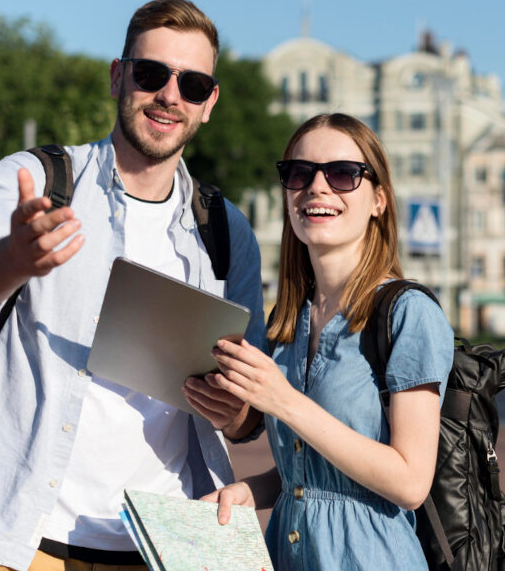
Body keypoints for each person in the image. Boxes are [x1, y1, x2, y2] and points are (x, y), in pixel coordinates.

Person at [0, 0, 265, 571]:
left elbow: (248, 413)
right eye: (151, 73)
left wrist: (233, 411)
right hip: (21, 535)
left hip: (162, 544)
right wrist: (15, 257)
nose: (169, 95)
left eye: (192, 84)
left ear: (209, 103)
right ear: (119, 77)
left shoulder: (226, 230)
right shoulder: (40, 178)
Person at [191, 113, 453, 571]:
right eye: (299, 173)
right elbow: (314, 470)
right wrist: (253, 490)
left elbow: (411, 481)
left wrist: (284, 400)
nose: (317, 187)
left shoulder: (408, 313)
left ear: (378, 200)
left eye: (343, 174)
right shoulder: (289, 321)